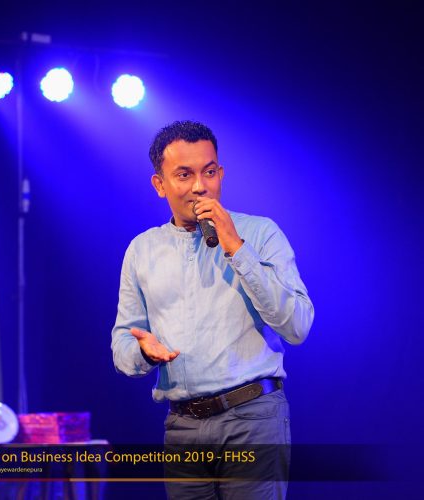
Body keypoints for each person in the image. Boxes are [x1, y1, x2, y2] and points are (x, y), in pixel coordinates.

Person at [111, 120, 314, 499]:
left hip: (252, 417)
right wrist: (143, 351)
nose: (200, 186)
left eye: (208, 172)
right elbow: (123, 343)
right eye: (184, 175)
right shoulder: (142, 250)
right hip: (183, 426)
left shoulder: (260, 233)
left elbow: (297, 326)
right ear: (160, 185)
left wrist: (237, 247)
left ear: (220, 173)